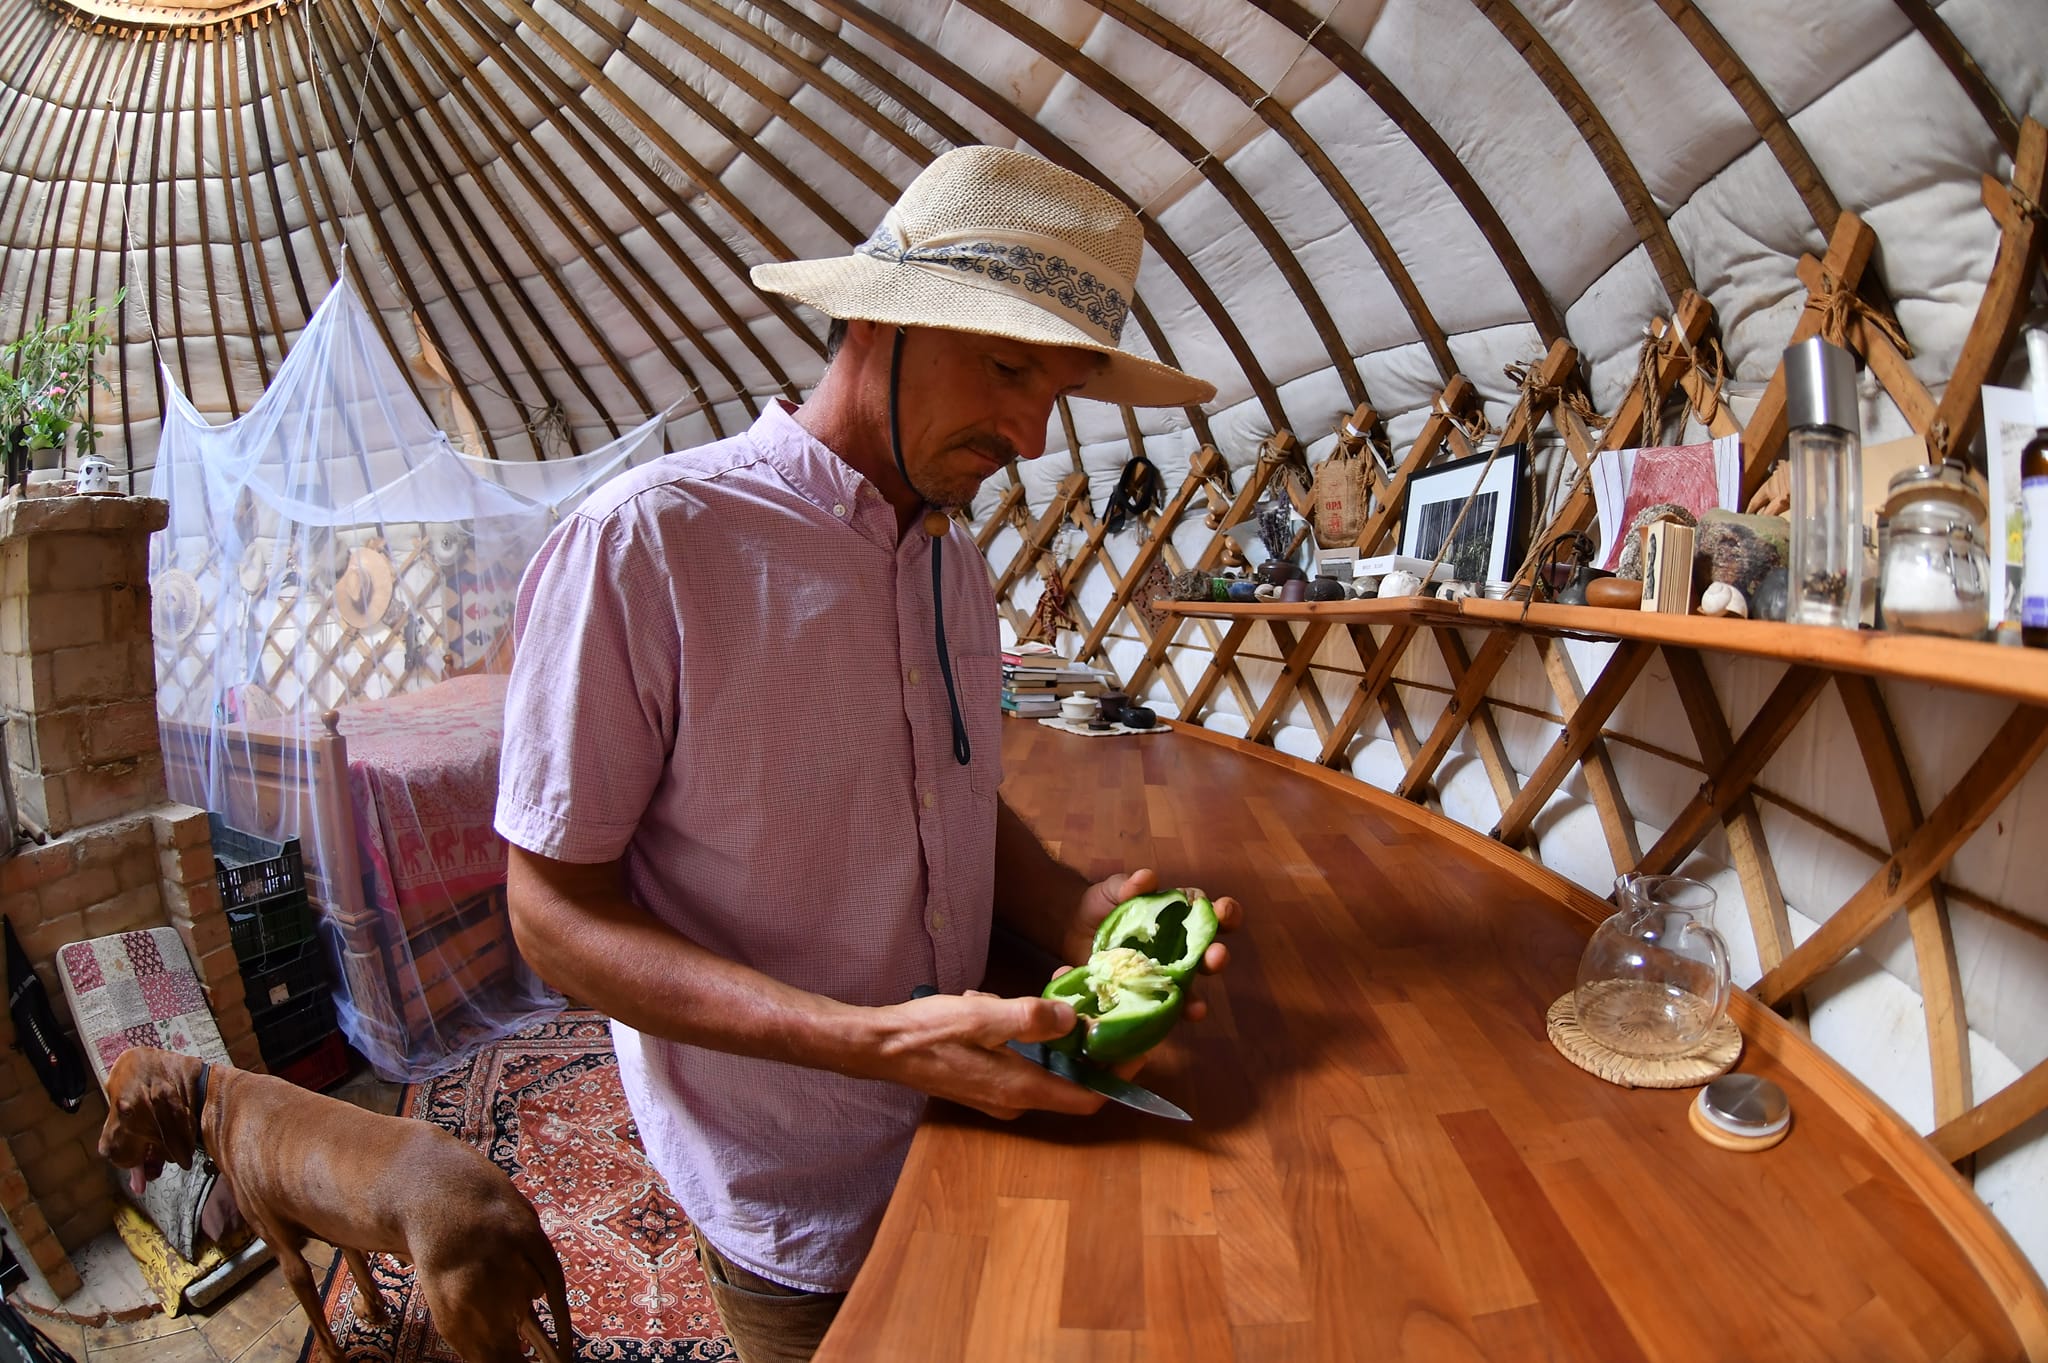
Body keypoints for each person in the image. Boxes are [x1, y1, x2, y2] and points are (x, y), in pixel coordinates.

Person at [494, 144, 1241, 1363]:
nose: (1029, 433)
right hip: (794, 1178)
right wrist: (869, 1042)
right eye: (1007, 368)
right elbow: (551, 917)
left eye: (1054, 393)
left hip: (970, 1125)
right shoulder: (649, 546)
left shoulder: (952, 562)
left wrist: (1072, 907)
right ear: (879, 318)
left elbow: (949, 789)